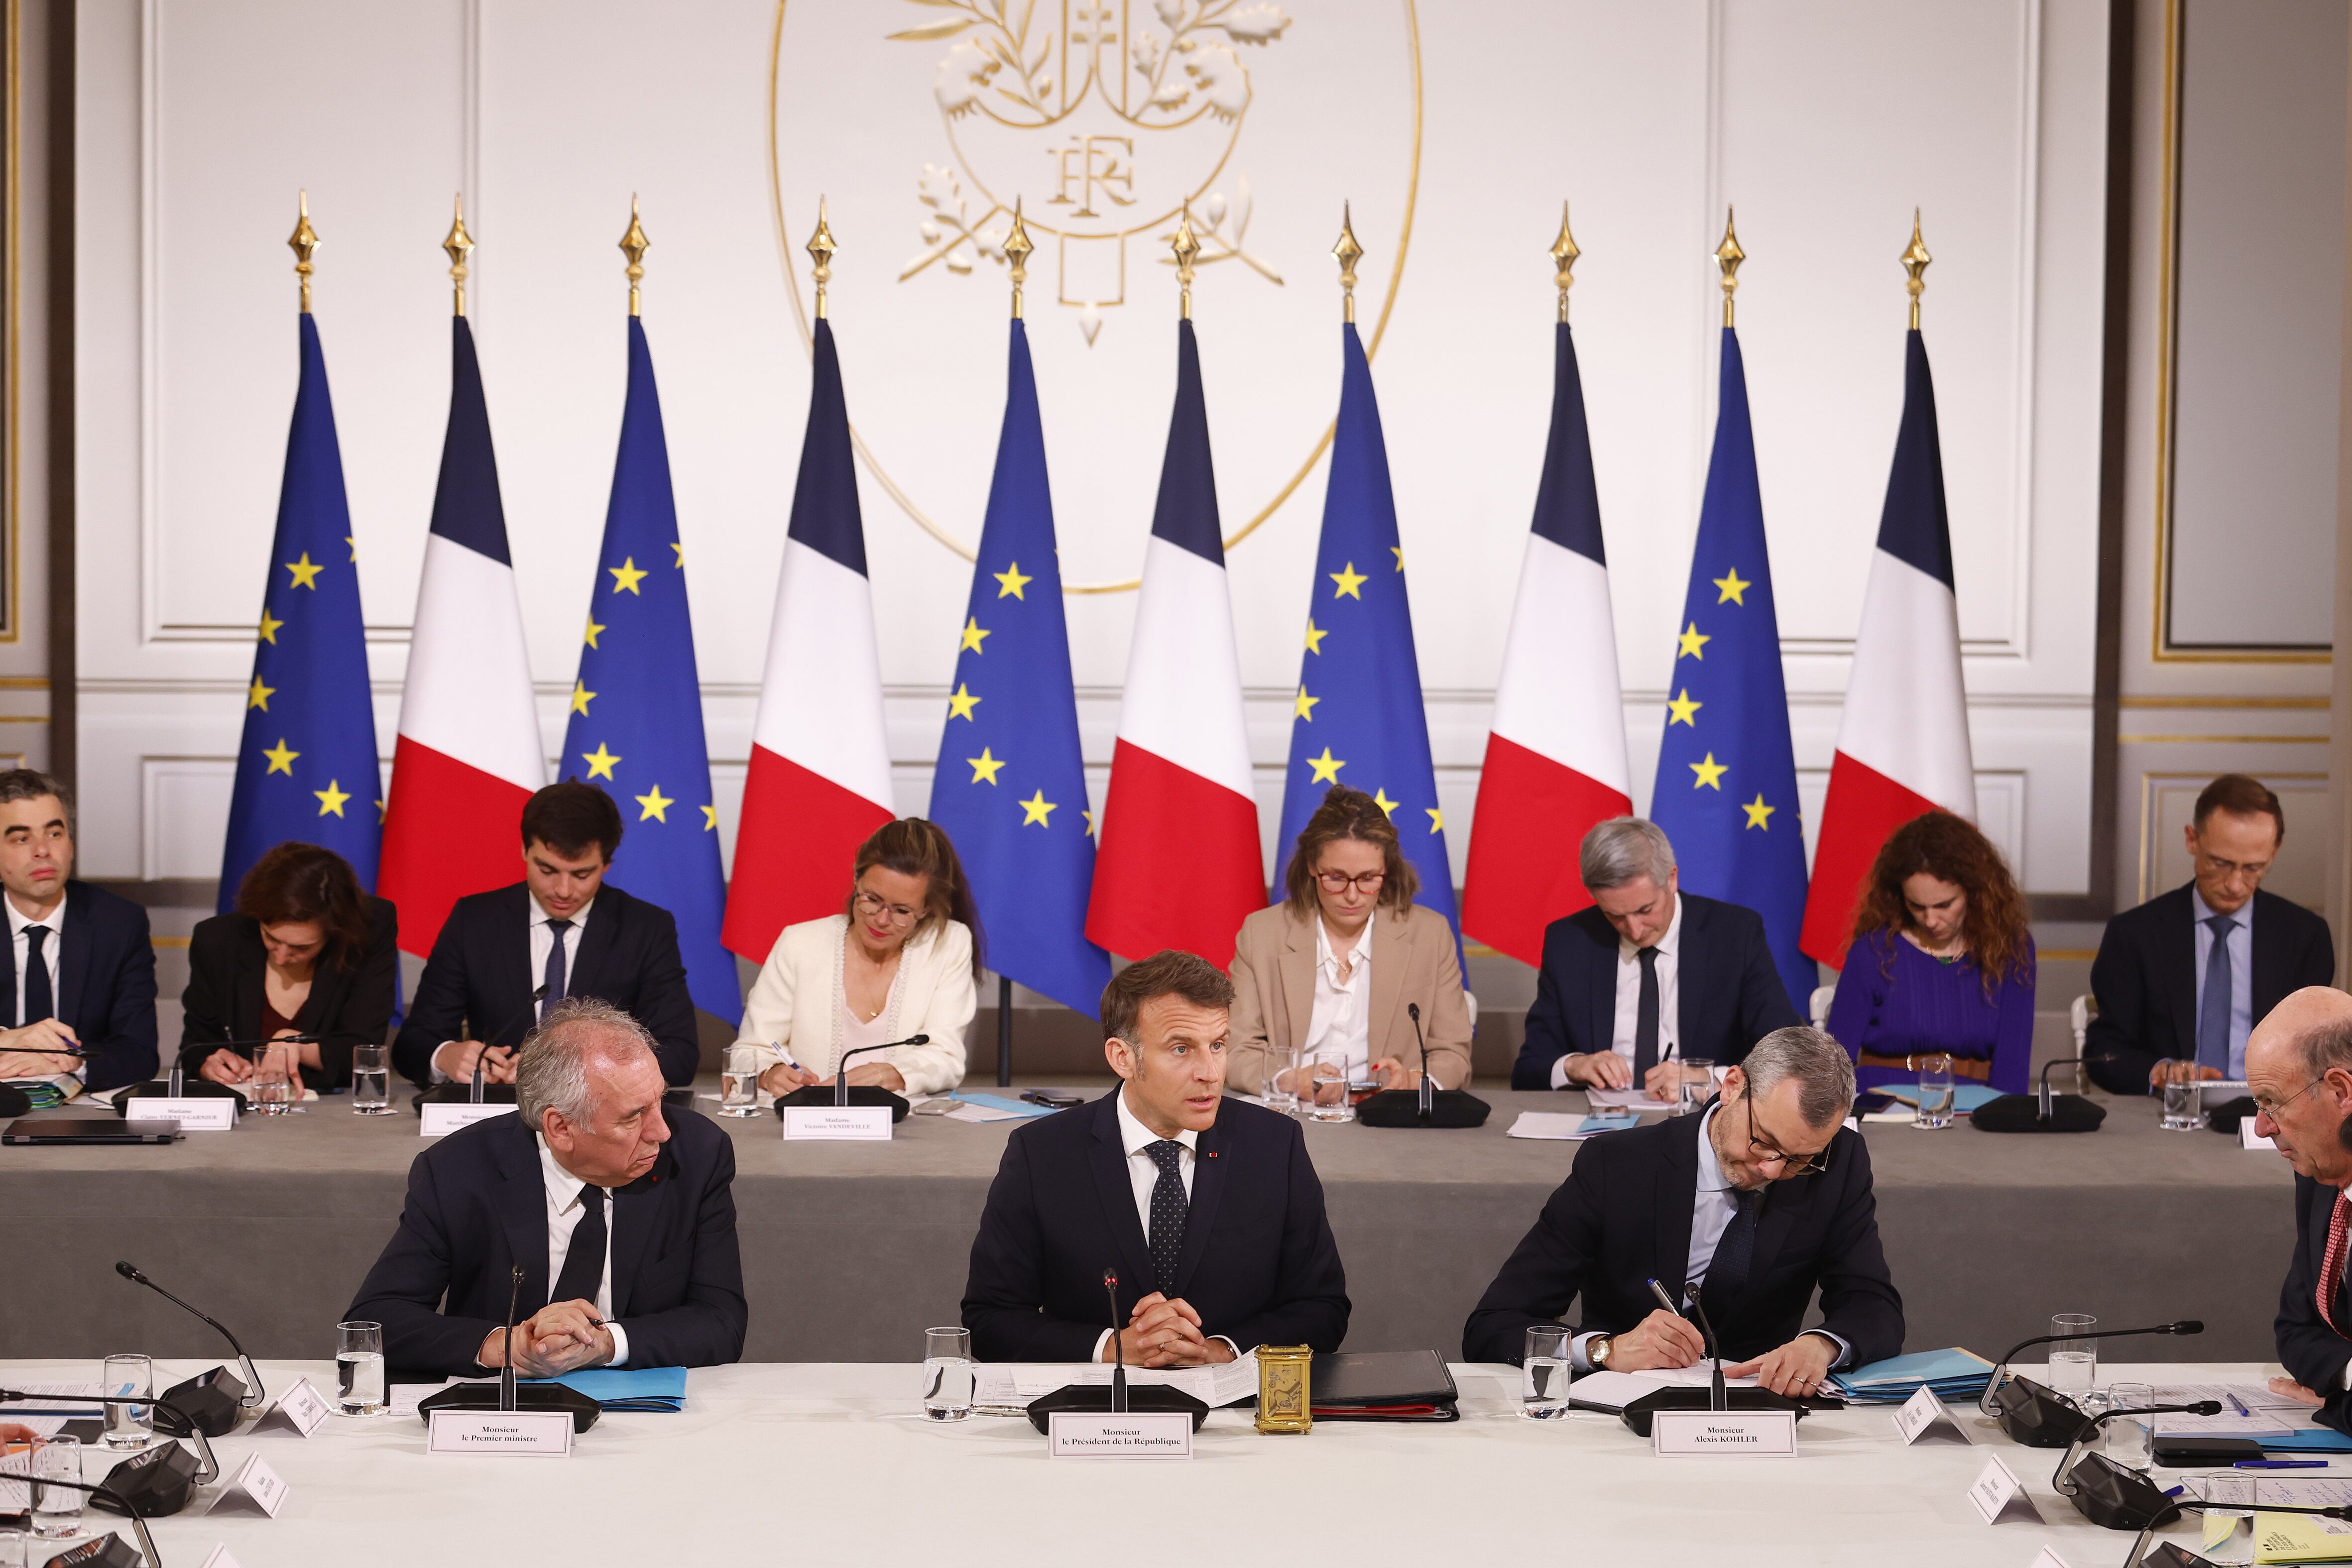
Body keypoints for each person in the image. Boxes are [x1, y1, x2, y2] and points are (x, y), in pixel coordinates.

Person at [1466, 1026, 1903, 1395]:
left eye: (1798, 1160)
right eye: (1763, 1142)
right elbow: (1493, 1325)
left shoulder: (1837, 1163)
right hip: (1623, 1415)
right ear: (1732, 1086)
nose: (1771, 1168)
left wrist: (1821, 1346)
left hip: (1756, 1418)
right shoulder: (1617, 1166)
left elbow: (1873, 1306)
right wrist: (1606, 1349)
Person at [961, 950, 1350, 1364]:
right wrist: (1114, 1349)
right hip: (1097, 1418)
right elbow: (989, 1321)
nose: (1211, 1073)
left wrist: (1219, 1353)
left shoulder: (1274, 1146)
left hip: (1233, 1416)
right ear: (1123, 1058)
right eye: (1182, 1049)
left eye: (1218, 1045)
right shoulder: (1042, 1155)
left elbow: (1322, 1310)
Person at [348, 997, 746, 1378]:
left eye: (660, 1100)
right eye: (633, 1117)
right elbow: (378, 1320)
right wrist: (505, 1346)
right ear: (560, 1129)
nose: (661, 1131)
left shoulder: (696, 1156)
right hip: (499, 1422)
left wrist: (606, 1344)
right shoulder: (458, 1169)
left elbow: (721, 1321)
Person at [392, 782, 699, 1090]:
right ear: (525, 850)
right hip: (498, 1115)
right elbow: (413, 1043)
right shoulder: (474, 921)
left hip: (599, 1119)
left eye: (582, 875)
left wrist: (574, 1067)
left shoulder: (645, 928)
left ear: (606, 864)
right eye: (548, 870)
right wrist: (446, 1055)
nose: (563, 891)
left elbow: (679, 1055)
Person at [1512, 816, 1800, 1097]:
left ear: (1672, 879)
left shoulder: (1734, 935)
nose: (1634, 931)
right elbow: (1528, 1070)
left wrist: (1708, 1078)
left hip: (1699, 1123)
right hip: (1595, 1123)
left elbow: (1787, 1053)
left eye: (1645, 910)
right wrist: (1574, 1066)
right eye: (1614, 916)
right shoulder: (1571, 942)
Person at [2085, 774, 2334, 1096]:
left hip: (2271, 1120)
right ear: (2192, 840)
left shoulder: (2305, 936)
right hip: (2168, 1116)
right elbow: (2104, 1052)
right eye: (2220, 863)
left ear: (2274, 852)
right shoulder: (2135, 934)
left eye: (2253, 868)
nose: (2235, 884)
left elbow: (2318, 1055)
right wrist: (2157, 1071)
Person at [1226, 784, 1473, 1098]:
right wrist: (1292, 1080)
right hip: (1293, 1113)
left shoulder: (1430, 935)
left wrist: (1414, 1083)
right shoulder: (1262, 933)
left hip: (1389, 1122)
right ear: (1313, 868)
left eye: (1369, 878)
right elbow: (1236, 1049)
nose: (1353, 895)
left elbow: (1453, 1054)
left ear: (1387, 870)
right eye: (1337, 878)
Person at [740, 818, 977, 1100]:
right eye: (872, 899)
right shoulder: (800, 943)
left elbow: (947, 1056)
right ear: (856, 881)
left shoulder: (948, 943)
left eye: (902, 911)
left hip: (903, 1132)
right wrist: (771, 1072)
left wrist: (897, 1074)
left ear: (926, 909)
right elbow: (749, 1051)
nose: (881, 920)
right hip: (804, 1128)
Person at [1825, 811, 2035, 1095]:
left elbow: (2013, 1066)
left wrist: (2002, 1123)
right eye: (1917, 906)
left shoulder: (2010, 948)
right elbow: (1834, 1066)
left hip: (1977, 1105)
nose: (1931, 920)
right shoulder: (1874, 951)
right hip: (1881, 1103)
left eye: (1944, 905)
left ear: (1974, 893)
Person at [178, 842, 397, 1094]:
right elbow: (196, 1047)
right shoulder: (218, 940)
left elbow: (365, 1050)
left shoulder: (367, 931)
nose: (281, 958)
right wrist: (210, 1065)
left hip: (336, 1118)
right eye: (271, 939)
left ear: (335, 933)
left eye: (301, 948)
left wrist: (297, 1047)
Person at [0, 770, 157, 1093]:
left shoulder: (119, 924)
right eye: (21, 838)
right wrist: (8, 1040)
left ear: (71, 844)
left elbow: (139, 1051)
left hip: (80, 1114)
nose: (42, 850)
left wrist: (73, 1063)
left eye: (55, 834)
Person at [2246, 987, 2352, 1428]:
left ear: (2341, 1091)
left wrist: (2336, 1403)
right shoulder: (2319, 1178)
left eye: (2272, 1101)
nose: (2262, 1126)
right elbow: (2295, 1329)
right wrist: (2348, 1375)